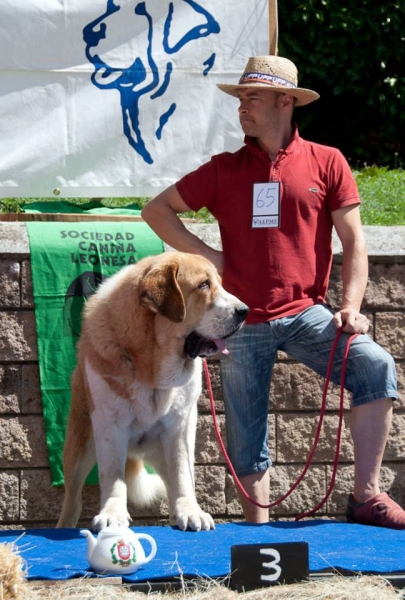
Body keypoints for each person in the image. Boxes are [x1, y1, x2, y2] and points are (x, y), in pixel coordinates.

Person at [141, 55, 405, 529]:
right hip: (239, 319)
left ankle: (365, 497)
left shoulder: (328, 161)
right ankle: (259, 535)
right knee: (246, 431)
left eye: (253, 97)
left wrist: (350, 307)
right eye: (241, 97)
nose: (243, 106)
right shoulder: (224, 169)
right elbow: (156, 211)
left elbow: (354, 242)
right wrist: (211, 258)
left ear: (286, 102)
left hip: (309, 312)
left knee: (376, 365)